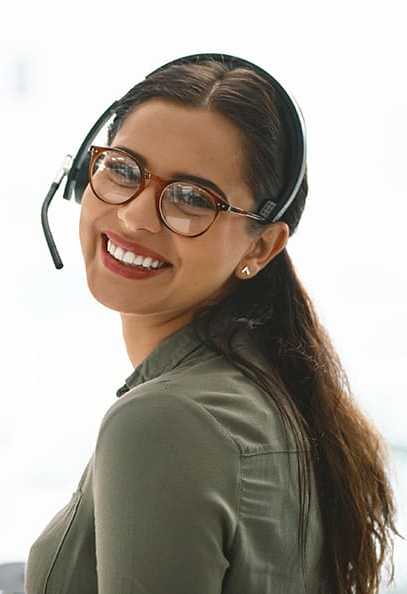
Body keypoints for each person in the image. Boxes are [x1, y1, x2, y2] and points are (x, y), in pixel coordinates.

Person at [28, 54, 398, 594]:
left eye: (193, 199)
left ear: (260, 246)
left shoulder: (165, 421)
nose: (133, 216)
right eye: (124, 169)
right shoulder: (272, 392)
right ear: (86, 169)